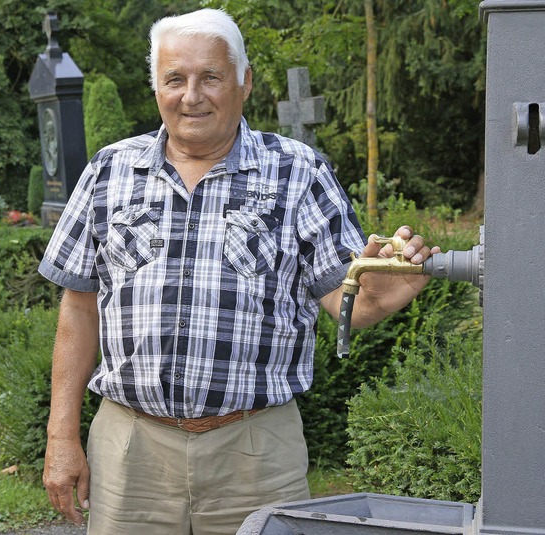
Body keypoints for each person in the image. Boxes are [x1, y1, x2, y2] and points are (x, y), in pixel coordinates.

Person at [38, 8, 438, 535]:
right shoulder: (109, 170)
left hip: (255, 453)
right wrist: (61, 437)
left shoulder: (297, 172)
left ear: (244, 82)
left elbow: (348, 302)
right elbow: (80, 307)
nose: (191, 95)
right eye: (175, 79)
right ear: (156, 86)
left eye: (211, 77)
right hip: (128, 448)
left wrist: (385, 292)